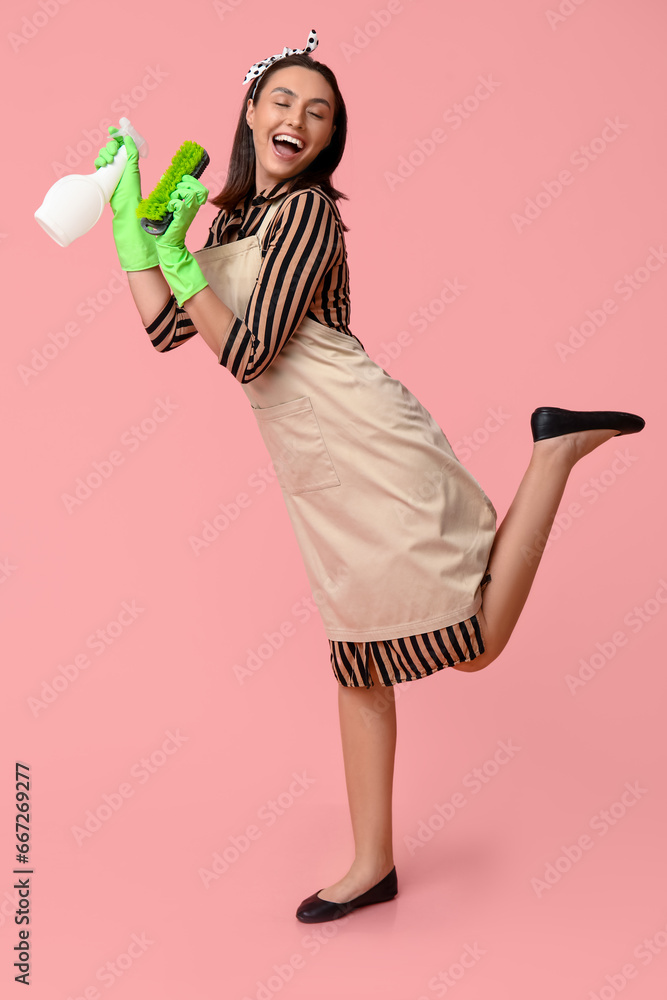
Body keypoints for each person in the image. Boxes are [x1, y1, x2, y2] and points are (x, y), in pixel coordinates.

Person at [95, 30, 644, 924]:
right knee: (357, 661)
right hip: (315, 466)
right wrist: (133, 234)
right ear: (249, 111)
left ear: (327, 138)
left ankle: (552, 455)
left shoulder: (306, 213)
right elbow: (167, 332)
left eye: (318, 112)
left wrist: (181, 259)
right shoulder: (233, 217)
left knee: (472, 644)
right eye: (282, 100)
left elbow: (250, 351)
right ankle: (371, 864)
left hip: (364, 439)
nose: (297, 118)